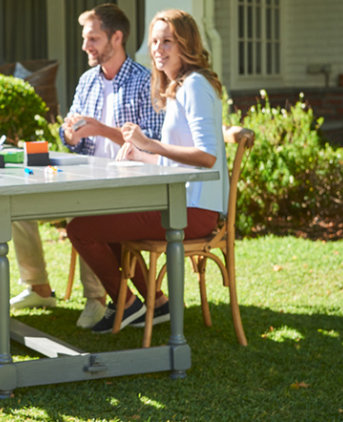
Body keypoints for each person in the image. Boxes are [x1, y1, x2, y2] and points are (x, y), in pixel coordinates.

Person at [66, 8, 228, 334]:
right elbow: (179, 161)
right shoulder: (179, 86)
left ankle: (128, 304)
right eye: (154, 41)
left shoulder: (194, 86)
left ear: (187, 44)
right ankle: (155, 303)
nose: (158, 49)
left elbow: (207, 157)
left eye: (168, 41)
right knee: (97, 221)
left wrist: (149, 145)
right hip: (180, 201)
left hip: (193, 210)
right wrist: (143, 156)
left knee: (82, 230)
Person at [10, 3, 164, 330]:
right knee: (16, 208)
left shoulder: (144, 81)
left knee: (82, 215)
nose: (85, 46)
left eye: (92, 38)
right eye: (85, 38)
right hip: (85, 176)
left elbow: (153, 140)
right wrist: (71, 134)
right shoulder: (87, 81)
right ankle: (38, 286)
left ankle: (97, 300)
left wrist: (101, 129)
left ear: (117, 37)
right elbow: (76, 139)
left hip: (127, 186)